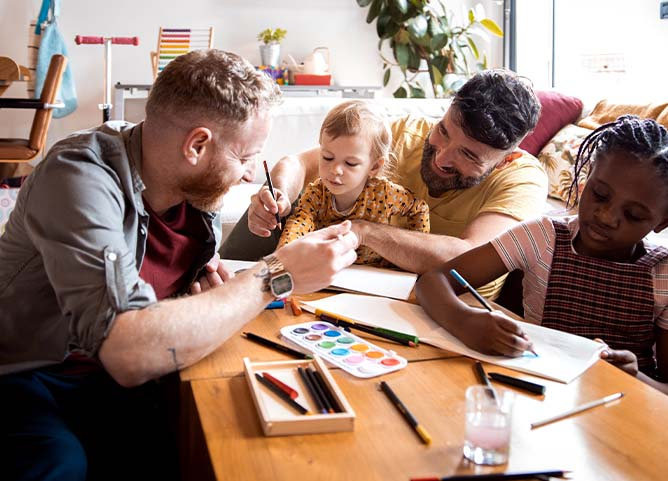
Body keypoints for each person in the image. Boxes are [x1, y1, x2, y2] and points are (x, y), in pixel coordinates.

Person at [0, 49, 358, 481]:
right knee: (59, 465)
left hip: (116, 381)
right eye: (245, 158)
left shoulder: (194, 189)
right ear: (197, 145)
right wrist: (274, 275)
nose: (249, 176)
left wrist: (205, 295)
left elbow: (173, 299)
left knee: (230, 438)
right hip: (28, 373)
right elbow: (127, 351)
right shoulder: (77, 175)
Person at [415, 115, 668, 408]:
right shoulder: (541, 237)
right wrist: (466, 321)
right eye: (599, 195)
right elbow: (434, 280)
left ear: (662, 223)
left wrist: (636, 379)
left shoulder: (667, 275)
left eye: (633, 215)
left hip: (623, 419)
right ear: (587, 178)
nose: (606, 216)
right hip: (539, 400)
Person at [221, 69, 548, 297]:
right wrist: (278, 194)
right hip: (345, 287)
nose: (442, 157)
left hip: (440, 309)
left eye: (468, 155)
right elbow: (298, 163)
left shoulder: (522, 179)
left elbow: (469, 256)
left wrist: (362, 230)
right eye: (444, 131)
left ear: (506, 158)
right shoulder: (406, 132)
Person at [277, 100, 430, 265]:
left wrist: (408, 261)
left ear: (374, 166)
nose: (335, 170)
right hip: (329, 270)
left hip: (376, 275)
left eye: (350, 163)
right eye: (327, 157)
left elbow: (418, 208)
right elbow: (298, 224)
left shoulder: (385, 194)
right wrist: (282, 259)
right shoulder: (316, 194)